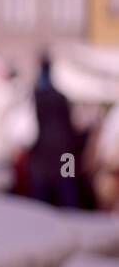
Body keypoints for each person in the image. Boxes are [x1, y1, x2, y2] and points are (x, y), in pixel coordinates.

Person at [27, 53, 86, 208]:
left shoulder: (35, 96)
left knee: (39, 204)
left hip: (41, 155)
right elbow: (71, 127)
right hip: (64, 153)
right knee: (68, 197)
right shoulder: (61, 97)